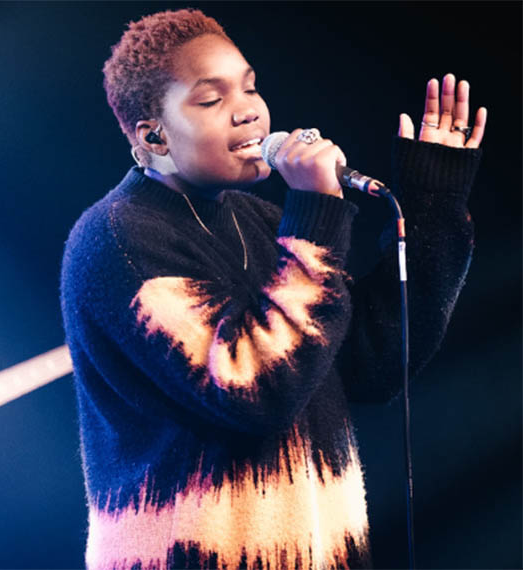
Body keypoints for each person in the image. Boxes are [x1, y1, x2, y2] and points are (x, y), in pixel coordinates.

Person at [60, 8, 485, 569]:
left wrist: (432, 204)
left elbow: (375, 362)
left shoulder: (260, 222)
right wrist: (314, 215)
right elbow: (253, 385)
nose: (248, 112)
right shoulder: (117, 238)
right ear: (154, 135)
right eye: (212, 100)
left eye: (251, 88)